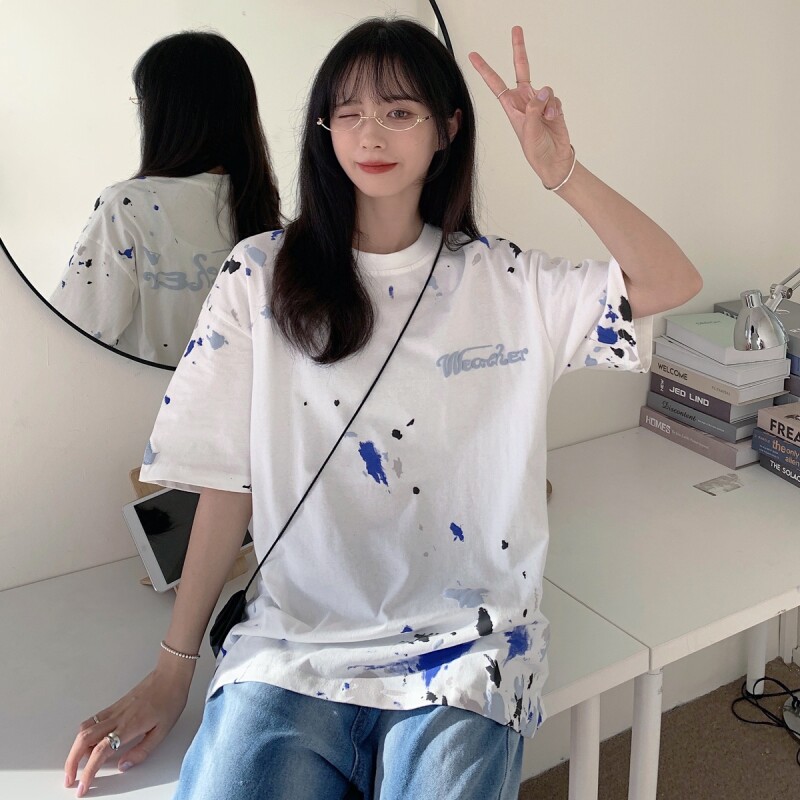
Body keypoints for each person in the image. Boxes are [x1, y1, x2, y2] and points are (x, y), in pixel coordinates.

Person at [64, 18, 702, 799]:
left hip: (465, 650)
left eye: (399, 111)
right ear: (324, 128)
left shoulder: (506, 282)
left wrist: (561, 171)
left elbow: (670, 281)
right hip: (294, 648)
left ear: (447, 130)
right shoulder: (257, 275)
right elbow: (228, 484)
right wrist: (174, 669)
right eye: (350, 112)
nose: (371, 133)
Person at [50, 31, 281, 366]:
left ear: (163, 112)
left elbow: (68, 336)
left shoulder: (127, 207)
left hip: (139, 400)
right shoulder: (258, 204)